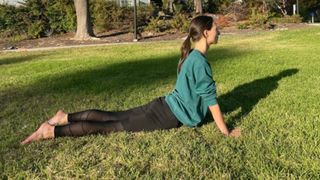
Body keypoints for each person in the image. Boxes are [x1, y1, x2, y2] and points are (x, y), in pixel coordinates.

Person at [21, 15, 240, 145]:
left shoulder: (191, 55)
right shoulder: (199, 61)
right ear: (205, 33)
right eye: (215, 28)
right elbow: (212, 102)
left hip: (163, 105)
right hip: (167, 114)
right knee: (113, 126)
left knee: (113, 117)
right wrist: (226, 132)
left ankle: (64, 117)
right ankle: (53, 130)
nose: (218, 31)